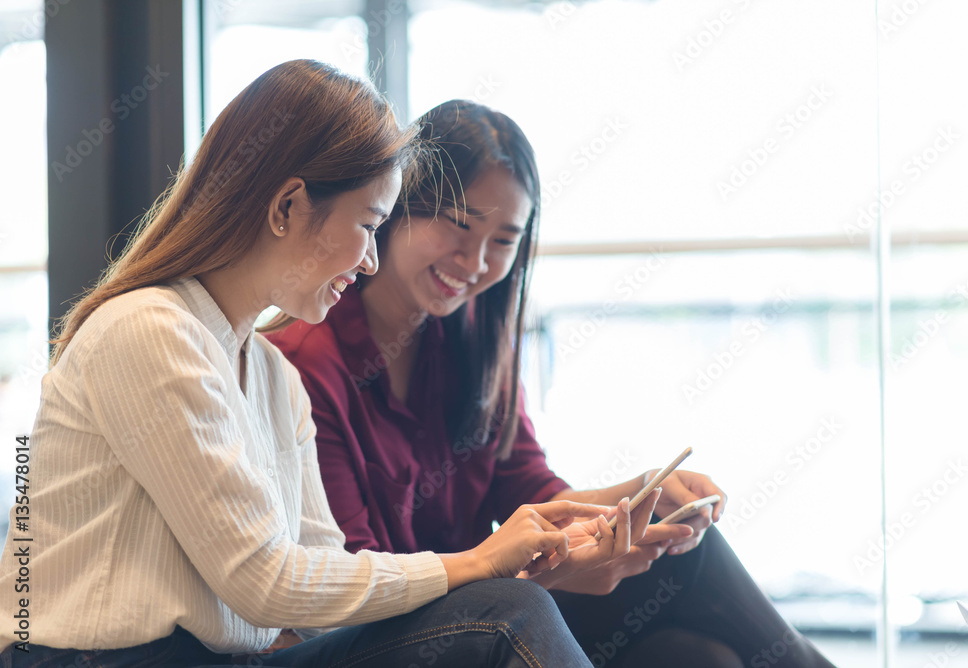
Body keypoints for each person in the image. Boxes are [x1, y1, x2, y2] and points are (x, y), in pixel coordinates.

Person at [0, 63, 633, 668]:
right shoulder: (149, 330)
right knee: (507, 613)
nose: (370, 262)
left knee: (511, 609)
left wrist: (493, 571)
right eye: (368, 225)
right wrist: (478, 562)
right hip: (96, 660)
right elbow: (262, 581)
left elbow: (322, 577)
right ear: (287, 207)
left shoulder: (272, 374)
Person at [267, 100, 839, 668]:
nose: (475, 261)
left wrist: (635, 496)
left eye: (503, 240)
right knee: (680, 576)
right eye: (459, 226)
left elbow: (529, 487)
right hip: (404, 634)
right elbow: (358, 578)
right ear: (396, 207)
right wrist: (547, 567)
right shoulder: (308, 361)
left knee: (696, 653)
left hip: (491, 604)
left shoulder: (473, 339)